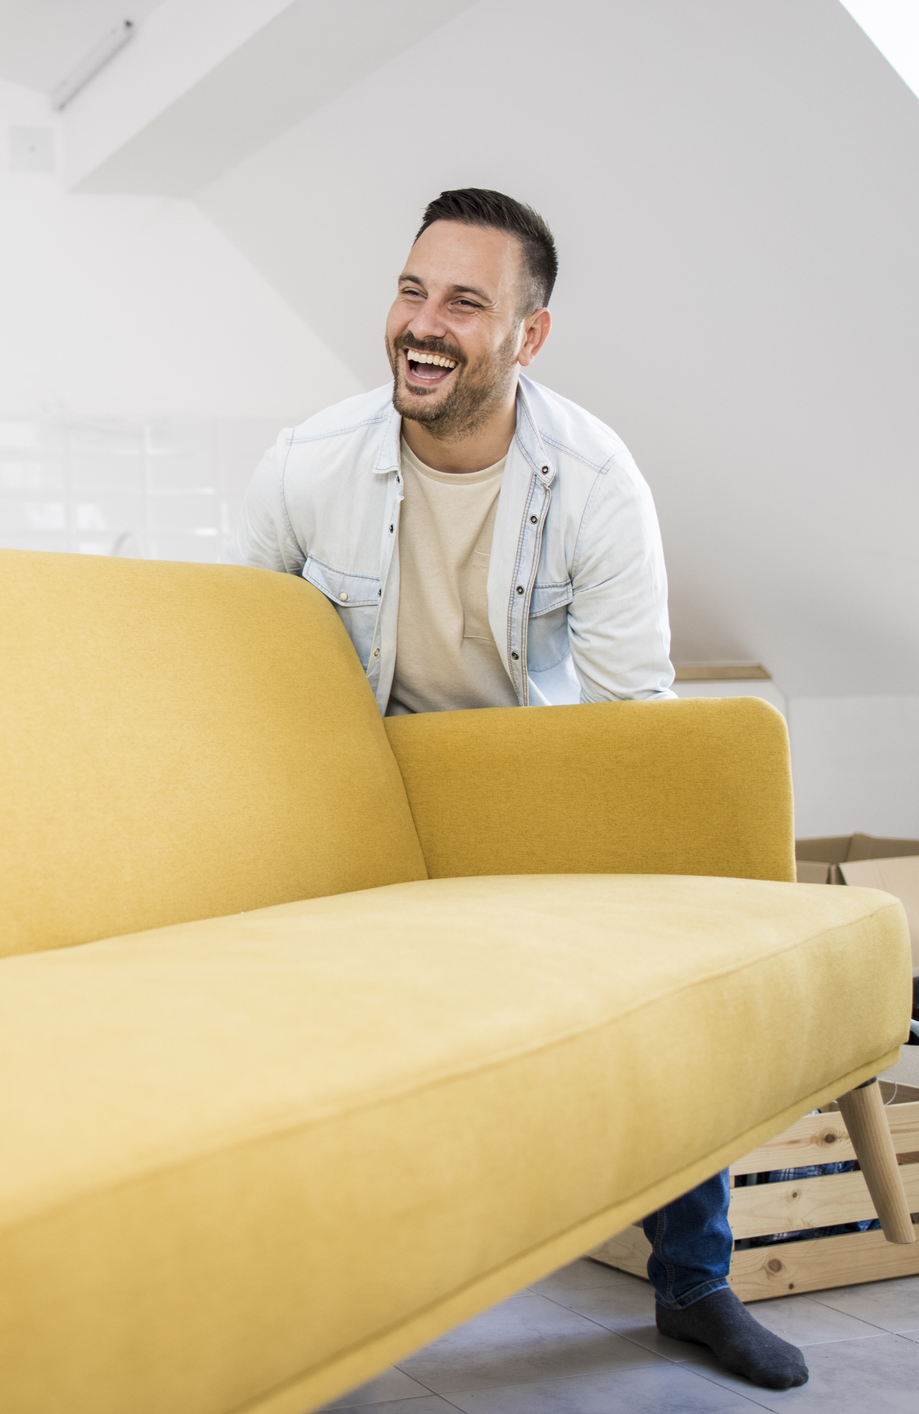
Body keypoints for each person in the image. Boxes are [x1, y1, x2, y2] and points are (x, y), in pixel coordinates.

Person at [234, 188, 810, 1392]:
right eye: (409, 289)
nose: (421, 324)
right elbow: (231, 655)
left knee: (656, 977)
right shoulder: (305, 464)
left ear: (526, 336)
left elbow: (626, 727)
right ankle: (307, 1284)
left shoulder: (596, 483)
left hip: (536, 777)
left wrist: (621, 887)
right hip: (364, 778)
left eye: (462, 301)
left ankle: (693, 1282)